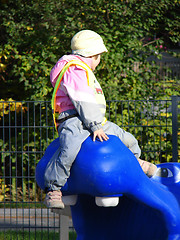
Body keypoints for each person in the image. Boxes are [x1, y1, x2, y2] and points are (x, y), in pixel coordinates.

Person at [44, 30, 157, 209]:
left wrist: (97, 123)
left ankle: (135, 163)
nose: (99, 62)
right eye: (99, 57)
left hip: (95, 121)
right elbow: (82, 101)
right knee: (70, 149)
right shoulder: (74, 70)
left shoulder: (83, 70)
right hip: (73, 120)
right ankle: (54, 187)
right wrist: (95, 125)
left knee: (127, 138)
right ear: (92, 55)